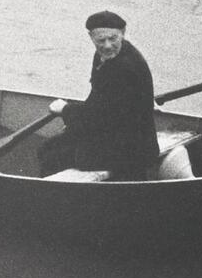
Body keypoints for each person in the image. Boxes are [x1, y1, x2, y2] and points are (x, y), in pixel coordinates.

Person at [40, 10, 159, 179]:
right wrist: (74, 121)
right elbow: (97, 101)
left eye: (113, 38)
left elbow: (103, 117)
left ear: (123, 33)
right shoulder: (105, 56)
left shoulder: (125, 68)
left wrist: (65, 110)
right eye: (101, 40)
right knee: (50, 146)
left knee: (51, 155)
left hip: (130, 148)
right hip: (115, 135)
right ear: (91, 37)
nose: (108, 45)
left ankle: (55, 194)